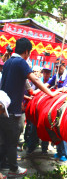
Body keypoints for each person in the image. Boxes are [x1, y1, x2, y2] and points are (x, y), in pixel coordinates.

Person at [0, 38, 58, 178]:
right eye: (29, 53)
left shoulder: (8, 62)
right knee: (12, 140)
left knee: (3, 139)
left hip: (3, 107)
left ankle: (3, 165)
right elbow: (35, 80)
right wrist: (50, 93)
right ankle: (13, 168)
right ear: (26, 51)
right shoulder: (21, 62)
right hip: (12, 110)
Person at [46, 58, 67, 162]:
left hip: (64, 105)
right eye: (56, 67)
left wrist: (55, 91)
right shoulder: (56, 75)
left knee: (62, 129)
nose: (57, 68)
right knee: (55, 128)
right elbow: (47, 84)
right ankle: (59, 151)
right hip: (56, 106)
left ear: (63, 66)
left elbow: (65, 90)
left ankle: (65, 154)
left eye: (59, 66)